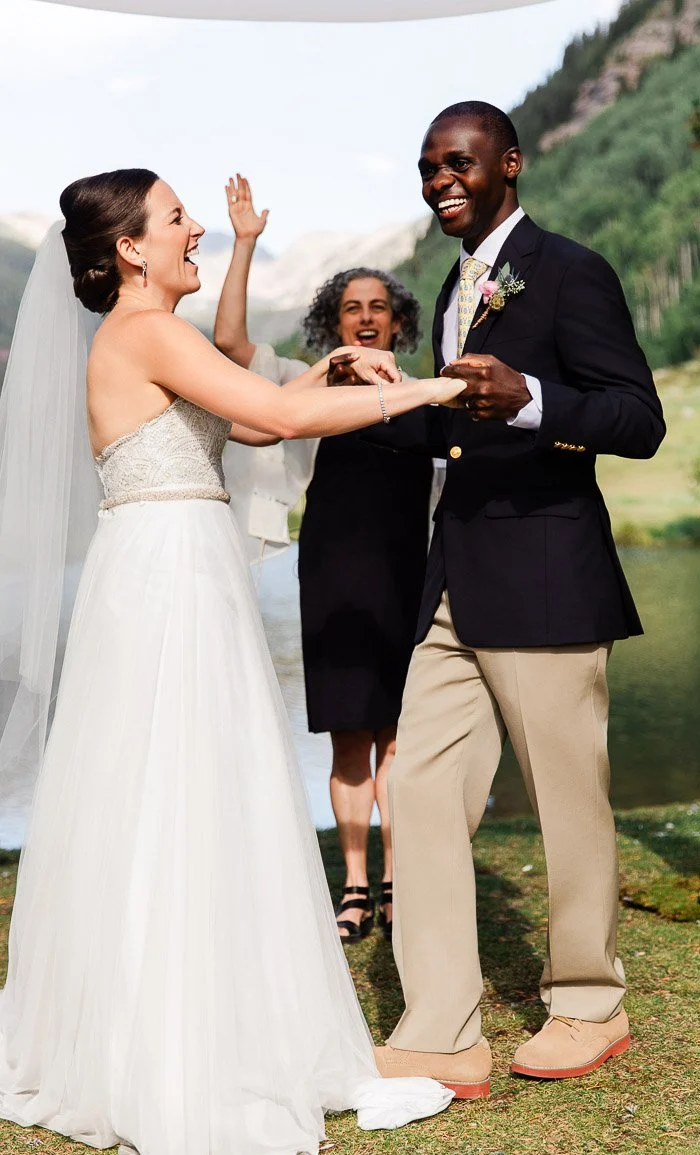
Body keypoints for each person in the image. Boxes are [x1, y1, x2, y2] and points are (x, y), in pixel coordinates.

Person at [0, 169, 465, 1155]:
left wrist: (329, 368)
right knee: (176, 786)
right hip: (166, 580)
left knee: (189, 790)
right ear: (130, 248)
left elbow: (250, 420)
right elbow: (281, 424)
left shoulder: (152, 336)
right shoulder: (147, 330)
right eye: (175, 218)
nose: (194, 226)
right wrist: (428, 388)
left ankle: (181, 1012)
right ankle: (172, 1041)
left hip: (177, 570)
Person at [363, 102, 666, 1098]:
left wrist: (532, 397)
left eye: (455, 162)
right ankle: (441, 1022)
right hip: (452, 584)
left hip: (545, 579)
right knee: (417, 791)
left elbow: (636, 418)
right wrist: (384, 394)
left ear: (508, 164)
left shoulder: (570, 269)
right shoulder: (453, 282)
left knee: (564, 802)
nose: (438, 179)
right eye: (425, 167)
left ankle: (587, 1003)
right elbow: (457, 436)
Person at [215, 176, 436, 944]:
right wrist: (243, 243)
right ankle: (354, 886)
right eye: (353, 307)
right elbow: (229, 347)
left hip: (411, 573)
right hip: (335, 574)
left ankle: (404, 881)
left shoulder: (423, 394)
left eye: (379, 306)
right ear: (333, 323)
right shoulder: (297, 383)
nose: (367, 317)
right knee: (349, 735)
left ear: (399, 323)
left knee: (403, 739)